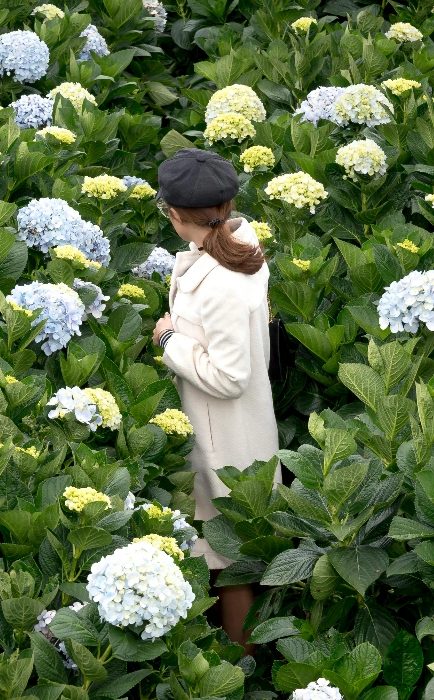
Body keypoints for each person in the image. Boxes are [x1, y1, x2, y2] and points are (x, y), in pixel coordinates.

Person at [151, 148, 279, 652]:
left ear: (178, 216)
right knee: (224, 557)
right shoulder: (237, 249)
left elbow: (229, 377)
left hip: (222, 439)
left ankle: (238, 675)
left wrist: (168, 341)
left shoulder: (223, 279)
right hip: (230, 429)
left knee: (228, 565)